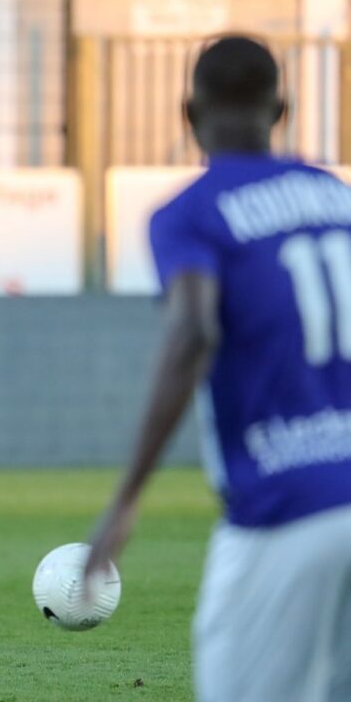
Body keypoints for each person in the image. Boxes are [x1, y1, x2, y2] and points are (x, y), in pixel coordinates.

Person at [83, 35, 351, 702]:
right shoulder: (336, 198)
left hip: (284, 507)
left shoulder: (190, 214)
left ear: (188, 112)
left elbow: (193, 329)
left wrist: (126, 499)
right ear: (280, 108)